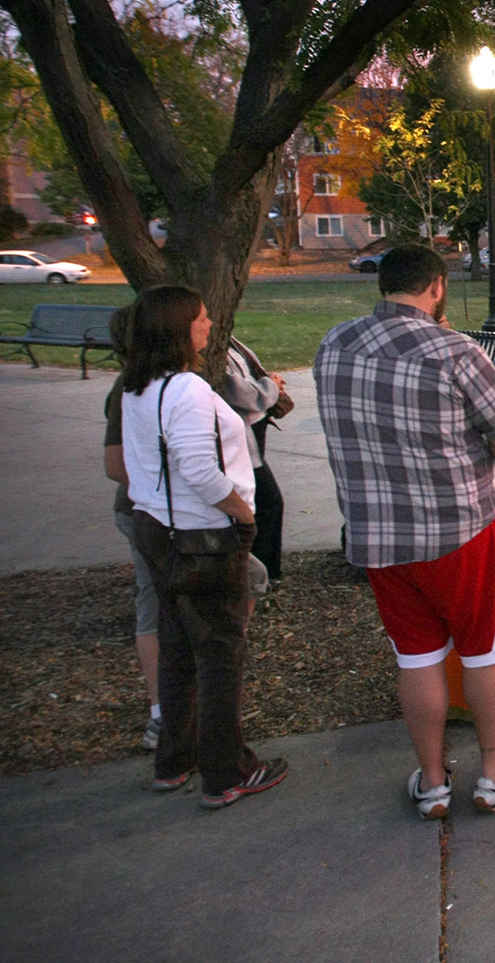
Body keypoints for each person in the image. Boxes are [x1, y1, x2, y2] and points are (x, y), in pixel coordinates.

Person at [314, 244, 495, 818]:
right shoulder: (455, 350)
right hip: (459, 530)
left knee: (416, 658)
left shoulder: (334, 344)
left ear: (383, 284)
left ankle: (432, 782)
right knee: (484, 649)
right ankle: (494, 771)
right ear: (437, 286)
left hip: (378, 538)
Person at [120, 286, 288, 809]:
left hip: (156, 528)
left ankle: (174, 761)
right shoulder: (186, 391)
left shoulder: (135, 387)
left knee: (177, 651)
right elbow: (198, 469)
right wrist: (242, 511)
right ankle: (226, 772)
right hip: (203, 537)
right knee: (220, 655)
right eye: (200, 316)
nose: (209, 322)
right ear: (178, 328)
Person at [101, 305, 159, 752]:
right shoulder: (132, 387)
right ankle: (162, 713)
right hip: (147, 514)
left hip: (158, 512)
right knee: (154, 607)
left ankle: (179, 699)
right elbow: (116, 465)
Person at [218, 337, 287, 583]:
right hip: (241, 438)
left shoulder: (230, 340)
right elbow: (242, 393)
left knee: (260, 501)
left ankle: (260, 574)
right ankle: (264, 576)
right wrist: (271, 385)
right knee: (268, 502)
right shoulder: (213, 350)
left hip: (255, 429)